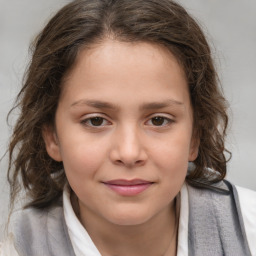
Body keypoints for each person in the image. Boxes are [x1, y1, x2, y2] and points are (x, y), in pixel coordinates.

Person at [0, 0, 255, 255]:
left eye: (158, 120)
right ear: (52, 136)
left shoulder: (249, 229)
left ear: (194, 136)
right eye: (96, 120)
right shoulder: (16, 247)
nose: (129, 153)